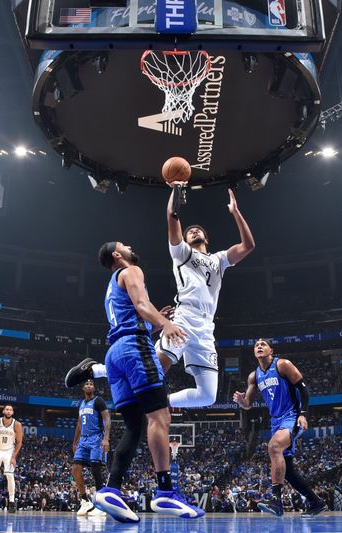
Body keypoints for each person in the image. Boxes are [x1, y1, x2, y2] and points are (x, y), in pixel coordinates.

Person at [67, 188, 255, 409]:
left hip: (206, 328)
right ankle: (95, 370)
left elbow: (248, 246)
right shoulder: (182, 253)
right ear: (184, 239)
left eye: (197, 230)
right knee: (152, 369)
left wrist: (235, 212)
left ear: (207, 238)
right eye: (190, 231)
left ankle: (163, 401)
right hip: (184, 317)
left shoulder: (219, 259)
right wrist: (176, 189)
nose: (194, 231)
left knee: (208, 396)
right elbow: (171, 216)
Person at [71, 241, 204, 523]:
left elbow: (138, 313)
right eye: (124, 244)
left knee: (135, 425)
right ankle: (166, 491)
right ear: (118, 255)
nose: (131, 245)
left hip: (115, 354)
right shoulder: (132, 270)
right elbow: (142, 306)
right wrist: (166, 325)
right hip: (135, 348)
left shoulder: (111, 285)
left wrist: (157, 320)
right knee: (161, 416)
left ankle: (112, 489)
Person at [233, 338, 327, 517]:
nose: (259, 346)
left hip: (292, 416)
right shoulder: (254, 376)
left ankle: (276, 501)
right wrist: (240, 401)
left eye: (263, 344)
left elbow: (303, 389)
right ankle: (316, 502)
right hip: (276, 421)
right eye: (256, 345)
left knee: (274, 446)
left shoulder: (283, 365)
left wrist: (303, 414)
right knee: (289, 471)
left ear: (271, 350)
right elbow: (248, 404)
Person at [72, 379, 109, 517]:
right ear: (83, 387)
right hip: (83, 439)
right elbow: (80, 424)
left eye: (91, 384)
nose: (88, 385)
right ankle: (84, 501)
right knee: (75, 470)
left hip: (96, 438)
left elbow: (107, 419)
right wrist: (75, 441)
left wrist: (106, 438)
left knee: (95, 470)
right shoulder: (81, 404)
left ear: (94, 388)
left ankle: (101, 504)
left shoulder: (98, 401)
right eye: (86, 384)